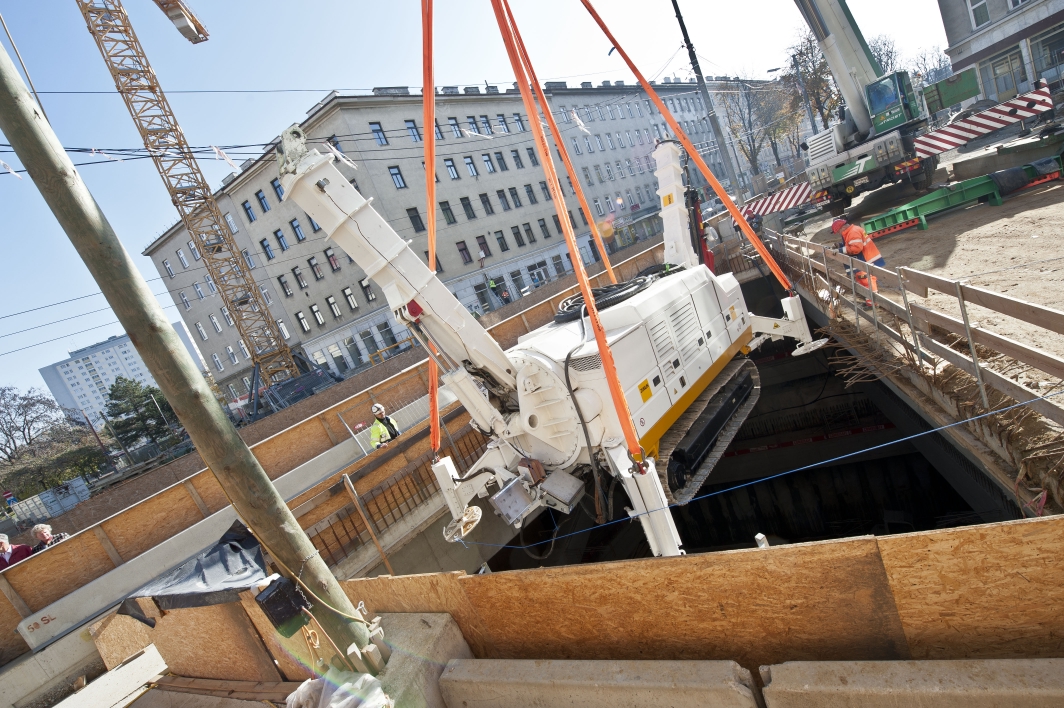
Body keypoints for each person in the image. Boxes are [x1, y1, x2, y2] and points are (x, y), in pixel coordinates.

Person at [832, 218, 885, 307]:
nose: (838, 233)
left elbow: (856, 248)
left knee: (867, 281)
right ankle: (870, 302)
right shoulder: (850, 231)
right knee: (864, 281)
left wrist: (840, 250)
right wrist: (839, 245)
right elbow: (850, 245)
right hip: (865, 260)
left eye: (838, 231)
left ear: (842, 228)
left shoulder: (853, 232)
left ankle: (873, 303)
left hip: (866, 260)